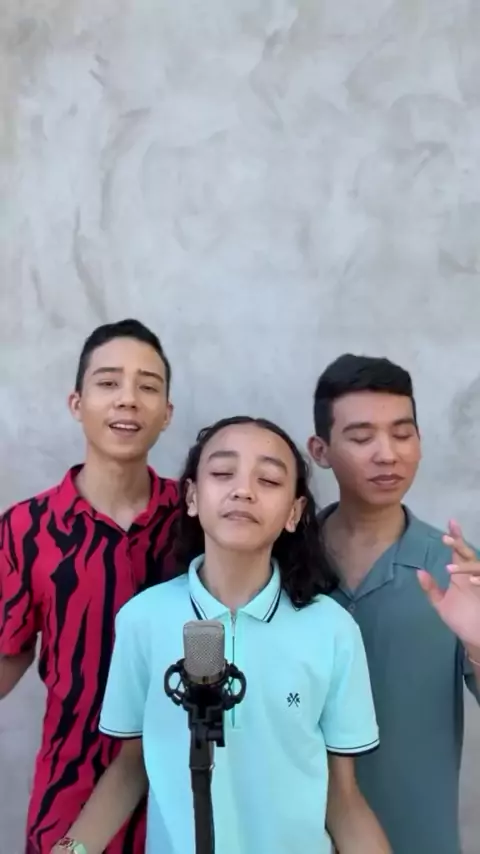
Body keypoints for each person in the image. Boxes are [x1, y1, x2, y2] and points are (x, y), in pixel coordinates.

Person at [51, 415, 391, 854]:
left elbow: (342, 798)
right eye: (223, 473)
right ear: (192, 497)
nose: (243, 490)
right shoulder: (143, 619)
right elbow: (131, 767)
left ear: (294, 513)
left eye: (268, 480)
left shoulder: (332, 630)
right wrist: (70, 849)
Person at [0, 319, 179, 854]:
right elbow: (11, 650)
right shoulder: (25, 528)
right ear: (76, 403)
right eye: (108, 382)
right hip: (70, 790)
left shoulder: (200, 518)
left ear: (167, 412)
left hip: (188, 789)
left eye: (147, 386)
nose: (128, 399)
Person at [307, 353, 480, 854]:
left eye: (403, 434)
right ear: (321, 450)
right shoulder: (283, 563)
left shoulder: (456, 570)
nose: (387, 454)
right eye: (362, 438)